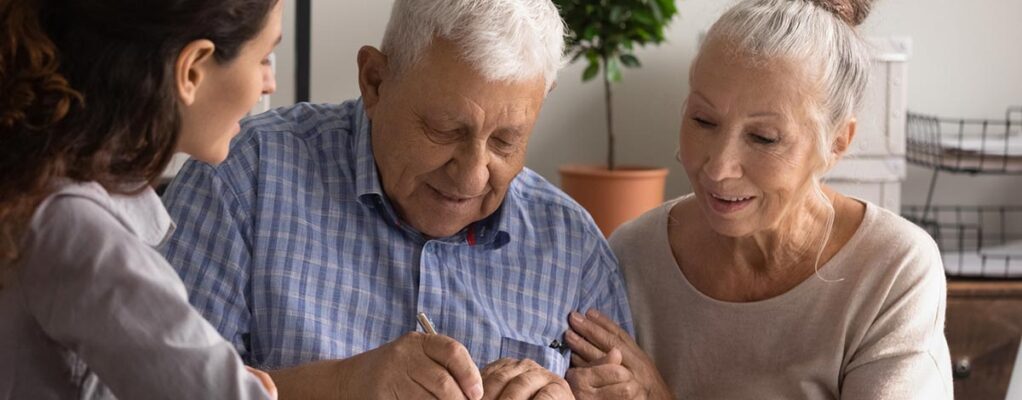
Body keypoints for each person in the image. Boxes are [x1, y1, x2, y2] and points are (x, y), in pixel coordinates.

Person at [158, 0, 633, 399]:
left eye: (505, 141)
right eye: (445, 129)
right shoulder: (243, 179)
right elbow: (154, 387)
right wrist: (341, 385)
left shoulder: (574, 251)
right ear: (375, 81)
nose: (471, 176)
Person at [562, 0, 954, 399]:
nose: (719, 167)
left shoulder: (891, 269)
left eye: (763, 138)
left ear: (837, 143)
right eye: (703, 120)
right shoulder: (632, 256)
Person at [0, 0, 284, 398]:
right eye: (264, 59)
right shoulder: (75, 228)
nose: (270, 84)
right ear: (192, 70)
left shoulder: (38, 189)